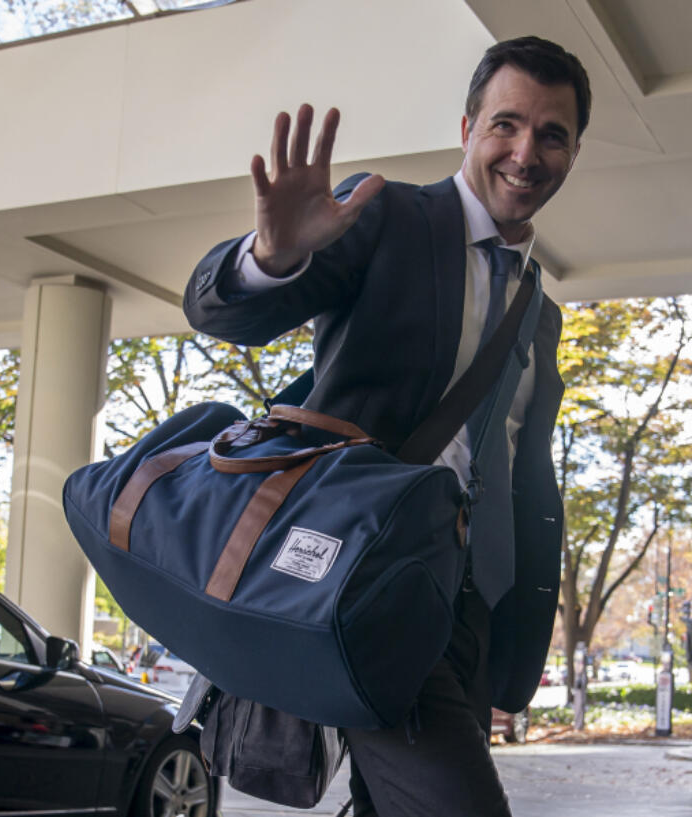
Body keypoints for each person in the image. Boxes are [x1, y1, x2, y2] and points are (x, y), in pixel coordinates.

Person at [182, 36, 590, 817]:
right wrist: (271, 255)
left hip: (472, 605)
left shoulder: (539, 309)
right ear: (467, 127)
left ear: (573, 152)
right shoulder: (388, 215)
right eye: (506, 125)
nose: (525, 152)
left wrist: (512, 610)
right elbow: (223, 312)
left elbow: (516, 461)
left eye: (552, 135)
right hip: (372, 578)